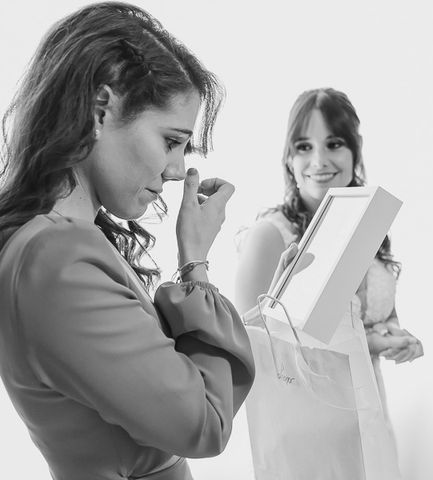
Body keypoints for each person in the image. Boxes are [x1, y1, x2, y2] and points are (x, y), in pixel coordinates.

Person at [0, 3, 255, 479]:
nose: (178, 171)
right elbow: (202, 424)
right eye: (170, 141)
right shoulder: (57, 261)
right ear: (101, 109)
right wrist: (194, 264)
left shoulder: (64, 243)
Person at [234, 87, 423, 416]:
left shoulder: (367, 225)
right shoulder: (271, 235)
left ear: (356, 149)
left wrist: (391, 336)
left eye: (333, 144)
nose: (319, 161)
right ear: (289, 159)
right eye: (304, 147)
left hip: (369, 403)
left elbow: (370, 318)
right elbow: (247, 346)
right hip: (305, 412)